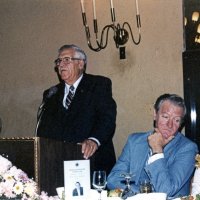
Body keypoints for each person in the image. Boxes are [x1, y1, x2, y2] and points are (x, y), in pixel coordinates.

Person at [37, 44, 117, 174]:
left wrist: (94, 140)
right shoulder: (51, 93)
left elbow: (106, 118)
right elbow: (44, 129)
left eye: (66, 60)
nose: (61, 65)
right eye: (58, 61)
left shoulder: (98, 85)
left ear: (81, 64)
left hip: (92, 163)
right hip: (59, 166)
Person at [107, 93, 198, 198]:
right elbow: (113, 179)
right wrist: (143, 194)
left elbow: (166, 190)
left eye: (176, 120)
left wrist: (157, 150)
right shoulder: (135, 141)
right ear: (155, 114)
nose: (169, 125)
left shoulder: (187, 148)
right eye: (165, 117)